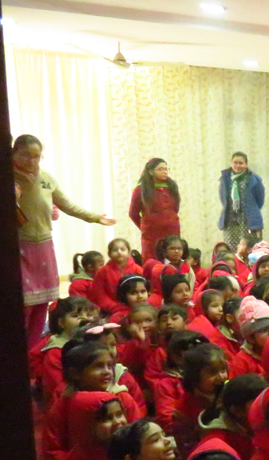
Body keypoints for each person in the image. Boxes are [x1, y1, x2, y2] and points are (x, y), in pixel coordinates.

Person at [13, 134, 115, 343]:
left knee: (42, 303)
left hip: (43, 246)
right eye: (25, 155)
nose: (31, 161)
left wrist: (95, 217)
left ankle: (34, 349)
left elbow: (67, 205)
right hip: (19, 245)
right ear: (13, 154)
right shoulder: (9, 178)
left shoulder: (46, 178)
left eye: (36, 156)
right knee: (24, 303)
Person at [129, 158, 181, 262]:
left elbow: (175, 208)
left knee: (172, 259)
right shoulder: (141, 189)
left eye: (166, 169)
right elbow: (133, 213)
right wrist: (145, 227)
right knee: (152, 260)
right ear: (151, 171)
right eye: (160, 169)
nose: (165, 172)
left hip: (172, 230)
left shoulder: (171, 187)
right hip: (151, 234)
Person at [219, 151, 266, 248]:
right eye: (235, 163)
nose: (237, 166)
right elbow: (223, 198)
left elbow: (260, 200)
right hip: (231, 219)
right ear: (231, 163)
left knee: (250, 246)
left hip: (248, 220)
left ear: (246, 164)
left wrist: (250, 209)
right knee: (231, 247)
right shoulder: (225, 179)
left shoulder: (254, 179)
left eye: (241, 163)